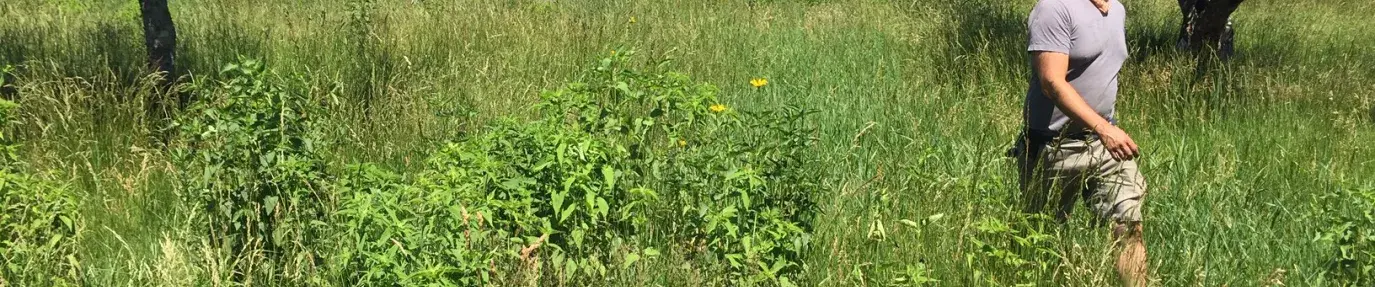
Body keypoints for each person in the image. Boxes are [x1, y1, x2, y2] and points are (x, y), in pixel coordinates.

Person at [1010, 0, 1148, 285]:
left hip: (1104, 146)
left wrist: (1105, 129)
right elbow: (1051, 82)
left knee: (1128, 226)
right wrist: (1103, 128)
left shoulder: (1116, 10)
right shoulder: (1055, 8)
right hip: (1054, 147)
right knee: (1039, 238)